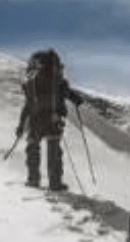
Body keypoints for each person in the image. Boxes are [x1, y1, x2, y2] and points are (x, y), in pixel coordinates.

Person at [15, 49, 83, 191]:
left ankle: (33, 180)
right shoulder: (57, 80)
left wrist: (21, 126)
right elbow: (69, 94)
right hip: (53, 119)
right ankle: (55, 183)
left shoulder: (31, 82)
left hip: (35, 120)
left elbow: (27, 106)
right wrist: (76, 100)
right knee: (54, 152)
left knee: (33, 150)